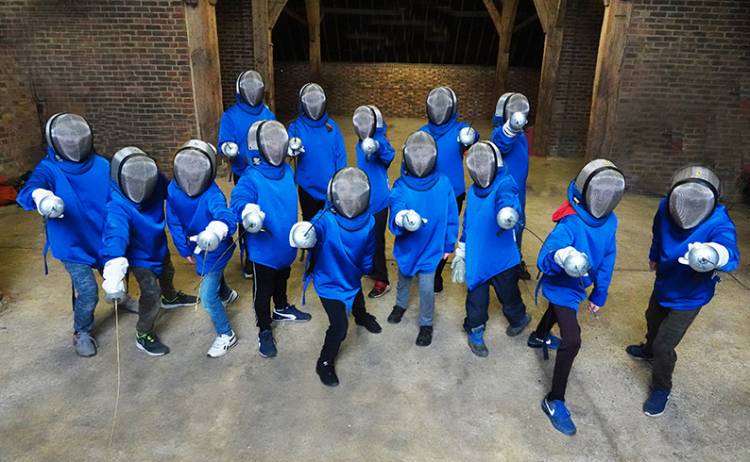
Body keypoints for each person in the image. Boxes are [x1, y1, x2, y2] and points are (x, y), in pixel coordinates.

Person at [626, 166, 739, 417]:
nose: (688, 206)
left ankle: (661, 387)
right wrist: (654, 255)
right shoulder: (666, 207)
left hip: (691, 295)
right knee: (652, 318)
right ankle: (648, 349)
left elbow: (729, 251)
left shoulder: (719, 220)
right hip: (666, 281)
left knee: (664, 346)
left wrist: (715, 253)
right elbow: (658, 232)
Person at [527, 159, 625, 435]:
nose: (603, 200)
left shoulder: (610, 222)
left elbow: (608, 257)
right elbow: (545, 257)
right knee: (572, 339)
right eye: (598, 193)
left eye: (609, 194)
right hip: (561, 284)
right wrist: (562, 256)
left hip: (581, 282)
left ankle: (539, 336)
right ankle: (554, 399)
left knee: (558, 311)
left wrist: (600, 292)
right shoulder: (570, 221)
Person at [16, 112, 126, 357]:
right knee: (88, 291)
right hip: (72, 243)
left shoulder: (102, 165)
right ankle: (82, 331)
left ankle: (123, 299)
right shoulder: (49, 168)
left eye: (78, 138)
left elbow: (118, 197)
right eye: (67, 140)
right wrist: (42, 197)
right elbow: (31, 188)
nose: (74, 144)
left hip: (103, 236)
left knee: (118, 272)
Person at [289, 167, 382, 386]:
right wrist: (303, 234)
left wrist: (366, 267)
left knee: (357, 295)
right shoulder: (325, 220)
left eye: (355, 196)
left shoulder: (369, 222)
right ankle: (324, 361)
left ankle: (361, 316)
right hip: (329, 282)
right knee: (339, 327)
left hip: (351, 274)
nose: (350, 202)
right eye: (345, 196)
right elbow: (311, 231)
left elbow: (369, 249)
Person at [231, 120, 312, 358]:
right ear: (257, 148)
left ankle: (282, 307)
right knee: (263, 290)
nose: (275, 148)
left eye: (278, 143)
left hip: (285, 242)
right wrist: (247, 210)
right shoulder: (251, 176)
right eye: (270, 144)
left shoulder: (287, 171)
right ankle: (264, 329)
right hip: (263, 250)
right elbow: (238, 199)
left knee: (283, 276)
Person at [450, 141, 530, 358]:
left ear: (496, 164)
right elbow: (468, 223)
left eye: (485, 163)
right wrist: (461, 253)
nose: (481, 169)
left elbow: (508, 198)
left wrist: (507, 211)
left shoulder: (505, 183)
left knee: (509, 295)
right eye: (476, 164)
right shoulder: (473, 191)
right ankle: (475, 331)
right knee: (476, 299)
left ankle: (519, 318)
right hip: (478, 257)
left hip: (502, 257)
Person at [166, 140, 240, 358]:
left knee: (207, 297)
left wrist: (218, 228)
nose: (191, 177)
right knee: (212, 274)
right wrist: (184, 249)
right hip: (195, 246)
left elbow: (226, 215)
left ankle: (226, 334)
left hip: (216, 248)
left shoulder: (213, 194)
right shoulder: (173, 190)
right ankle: (227, 294)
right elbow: (174, 222)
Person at [387, 131, 459, 347]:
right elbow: (396, 205)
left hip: (431, 248)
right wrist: (402, 217)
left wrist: (448, 244)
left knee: (427, 289)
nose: (420, 162)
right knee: (404, 278)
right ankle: (400, 305)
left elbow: (452, 217)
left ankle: (426, 324)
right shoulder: (401, 185)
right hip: (408, 247)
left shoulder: (444, 183)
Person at [101, 147, 173, 356]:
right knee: (151, 293)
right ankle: (144, 332)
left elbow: (174, 193)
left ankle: (171, 297)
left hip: (157, 244)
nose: (141, 186)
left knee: (168, 271)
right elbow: (116, 233)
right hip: (138, 255)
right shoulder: (116, 205)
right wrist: (114, 268)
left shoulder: (156, 182)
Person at [218, 70, 276, 279]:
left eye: (255, 88)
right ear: (240, 91)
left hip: (267, 174)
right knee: (247, 214)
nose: (252, 93)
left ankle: (267, 253)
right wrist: (228, 148)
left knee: (267, 212)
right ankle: (250, 257)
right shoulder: (230, 116)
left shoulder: (267, 115)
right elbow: (224, 142)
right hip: (244, 174)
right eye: (248, 89)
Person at [419, 86, 478, 292]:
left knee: (446, 232)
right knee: (427, 230)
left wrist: (470, 137)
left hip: (454, 191)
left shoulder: (460, 131)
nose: (439, 111)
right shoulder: (422, 134)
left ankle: (435, 273)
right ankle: (426, 267)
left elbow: (473, 137)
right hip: (428, 191)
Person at [353, 105, 396, 299]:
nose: (362, 126)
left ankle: (382, 280)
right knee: (366, 237)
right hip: (364, 198)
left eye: (366, 122)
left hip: (378, 200)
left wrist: (377, 147)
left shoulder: (379, 140)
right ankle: (371, 269)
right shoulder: (359, 141)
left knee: (377, 241)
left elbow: (389, 155)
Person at [288, 83, 347, 221]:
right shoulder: (296, 127)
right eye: (310, 101)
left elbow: (341, 156)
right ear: (303, 104)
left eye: (317, 101)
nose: (314, 106)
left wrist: (339, 182)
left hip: (330, 188)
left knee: (330, 224)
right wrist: (290, 149)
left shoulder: (332, 127)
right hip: (307, 188)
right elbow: (288, 146)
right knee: (310, 225)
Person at [491, 92, 532, 280]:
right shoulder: (500, 133)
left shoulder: (522, 136)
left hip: (519, 190)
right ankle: (500, 266)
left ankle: (516, 261)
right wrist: (510, 129)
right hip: (505, 190)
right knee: (504, 224)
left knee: (519, 224)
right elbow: (502, 143)